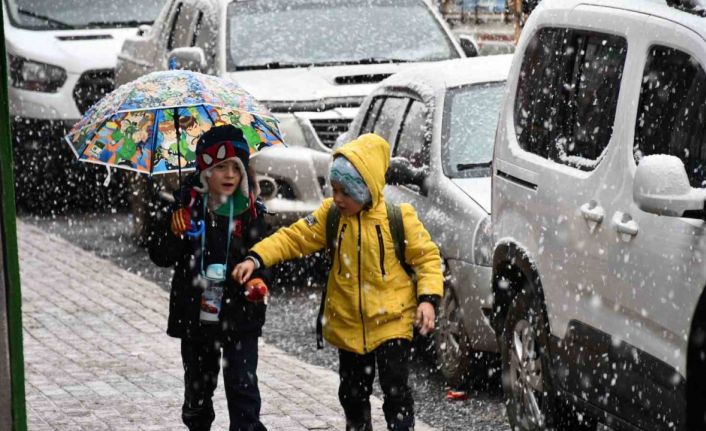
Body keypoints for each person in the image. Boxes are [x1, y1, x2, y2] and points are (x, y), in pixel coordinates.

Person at [232, 133, 443, 431]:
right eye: (335, 189)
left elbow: (427, 259)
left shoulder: (399, 218)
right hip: (347, 325)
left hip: (392, 322)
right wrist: (257, 258)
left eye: (347, 191)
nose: (338, 198)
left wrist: (428, 300)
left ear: (367, 189)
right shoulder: (331, 216)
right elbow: (294, 238)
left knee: (396, 392)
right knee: (352, 395)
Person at [148, 124, 270, 431]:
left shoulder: (251, 212)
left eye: (236, 167)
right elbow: (161, 256)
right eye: (220, 167)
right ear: (204, 172)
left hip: (240, 315)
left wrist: (258, 279)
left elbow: (266, 255)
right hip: (196, 316)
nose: (229, 175)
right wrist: (173, 231)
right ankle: (197, 422)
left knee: (243, 388)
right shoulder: (185, 209)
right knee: (199, 391)